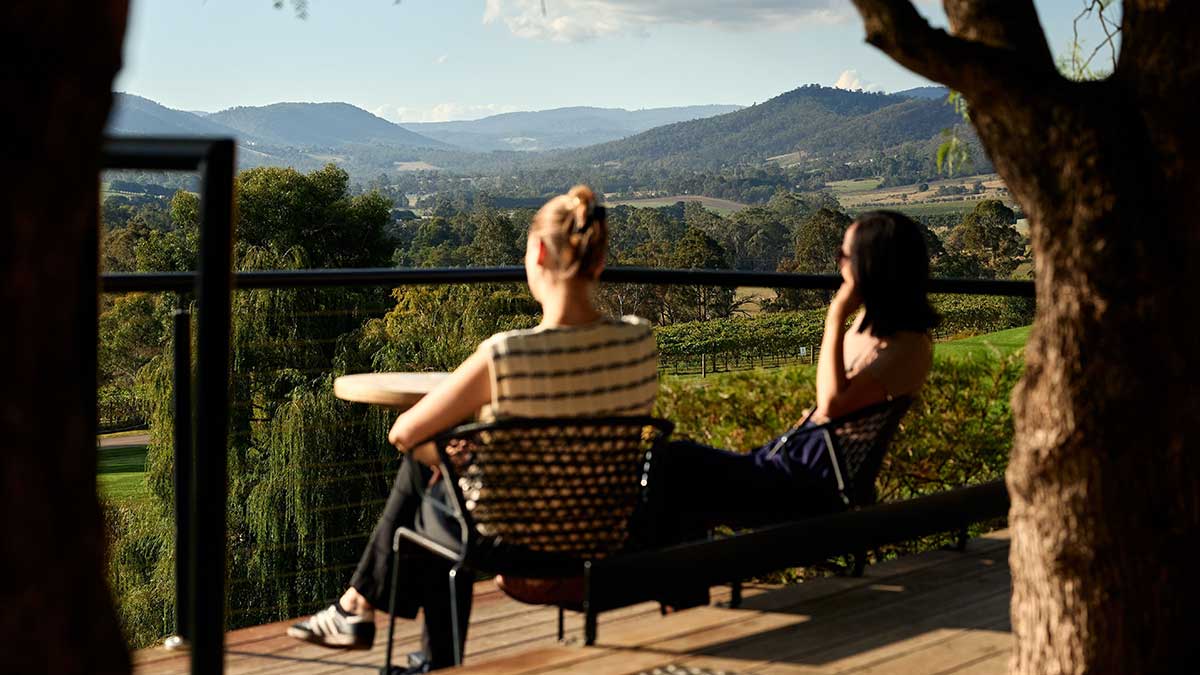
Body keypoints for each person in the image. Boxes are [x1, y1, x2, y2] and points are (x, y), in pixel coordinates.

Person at [286, 186, 658, 671]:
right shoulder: (639, 339)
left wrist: (453, 457)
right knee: (447, 480)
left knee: (434, 483)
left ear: (539, 253)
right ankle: (364, 613)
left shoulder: (507, 354)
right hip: (605, 528)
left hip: (512, 538)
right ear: (600, 256)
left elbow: (404, 433)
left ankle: (372, 617)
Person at [644, 210, 939, 558]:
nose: (839, 265)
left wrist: (834, 318)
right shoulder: (878, 330)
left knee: (674, 461)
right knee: (675, 467)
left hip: (806, 484)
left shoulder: (904, 347)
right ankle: (677, 578)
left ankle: (643, 576)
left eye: (844, 256)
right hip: (798, 466)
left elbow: (830, 404)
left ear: (870, 266)